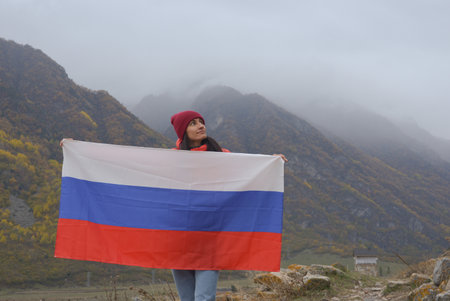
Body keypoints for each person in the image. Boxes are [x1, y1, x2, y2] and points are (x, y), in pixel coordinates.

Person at [169, 110, 287, 301]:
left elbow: (248, 170)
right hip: (179, 239)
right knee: (186, 298)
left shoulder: (222, 156)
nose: (201, 126)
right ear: (183, 132)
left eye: (201, 122)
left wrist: (270, 162)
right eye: (193, 123)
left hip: (210, 237)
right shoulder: (171, 160)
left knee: (204, 297)